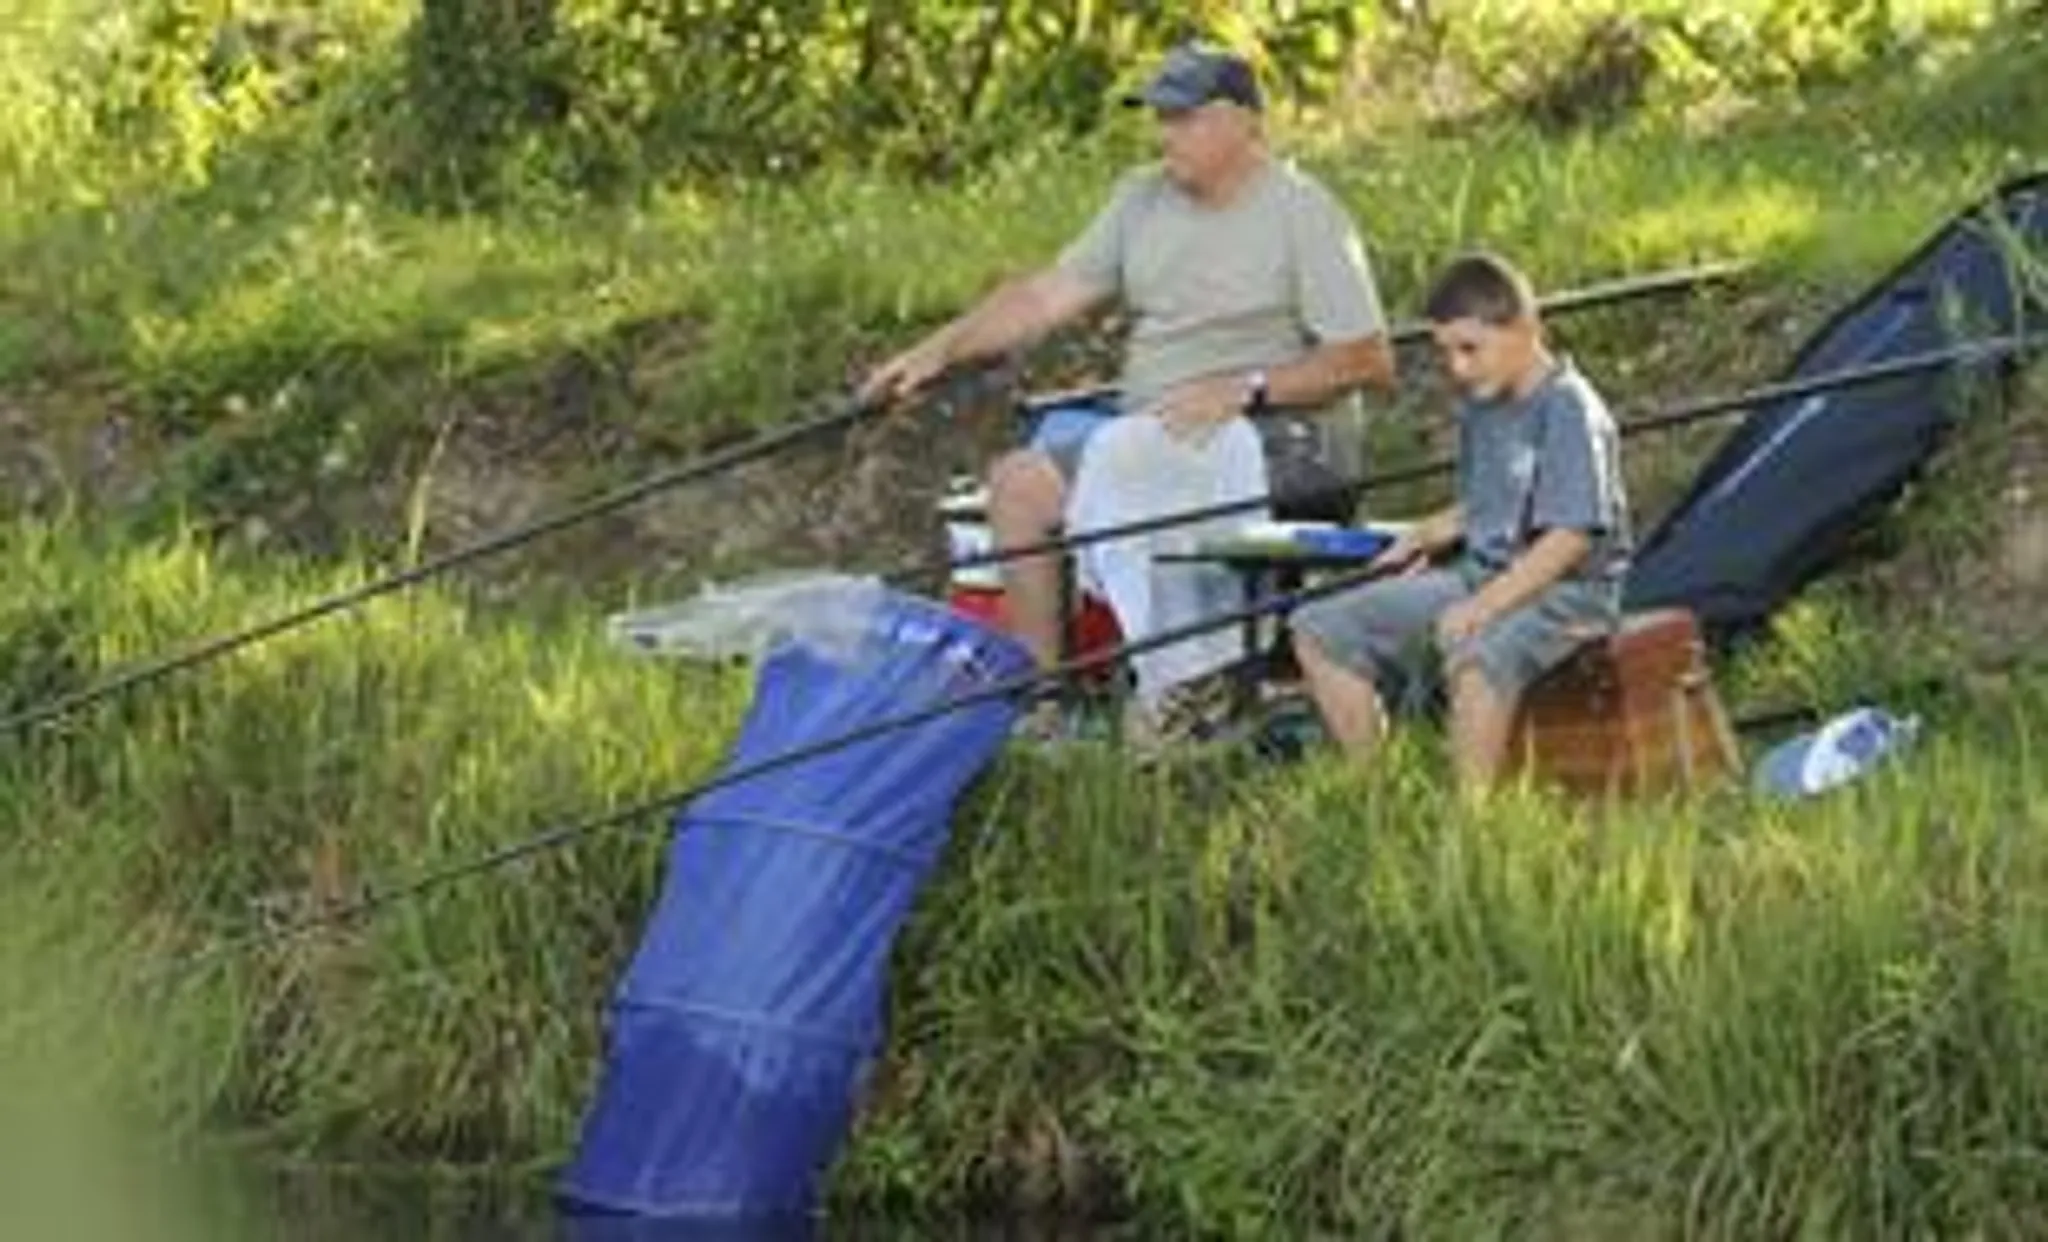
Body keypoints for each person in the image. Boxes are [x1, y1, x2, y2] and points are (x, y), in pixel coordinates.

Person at [859, 42, 1396, 740]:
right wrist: (936, 350)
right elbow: (1045, 295)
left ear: (1241, 122)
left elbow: (1369, 360)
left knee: (1139, 464)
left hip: (1286, 444)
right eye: (1159, 117)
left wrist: (1247, 387)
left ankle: (1189, 688)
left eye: (1183, 118)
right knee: (1018, 485)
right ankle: (1041, 704)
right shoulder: (1141, 199)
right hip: (1151, 435)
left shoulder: (1303, 210)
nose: (1164, 133)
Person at [1289, 251, 1633, 792]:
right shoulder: (1486, 400)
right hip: (1483, 575)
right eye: (1445, 352)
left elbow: (1569, 536)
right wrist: (1421, 538)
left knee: (1476, 655)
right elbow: (1487, 503)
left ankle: (1472, 828)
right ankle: (1375, 793)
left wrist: (1480, 608)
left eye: (1471, 349)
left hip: (1567, 595)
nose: (1458, 368)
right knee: (1319, 626)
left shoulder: (1568, 407)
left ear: (1524, 328)